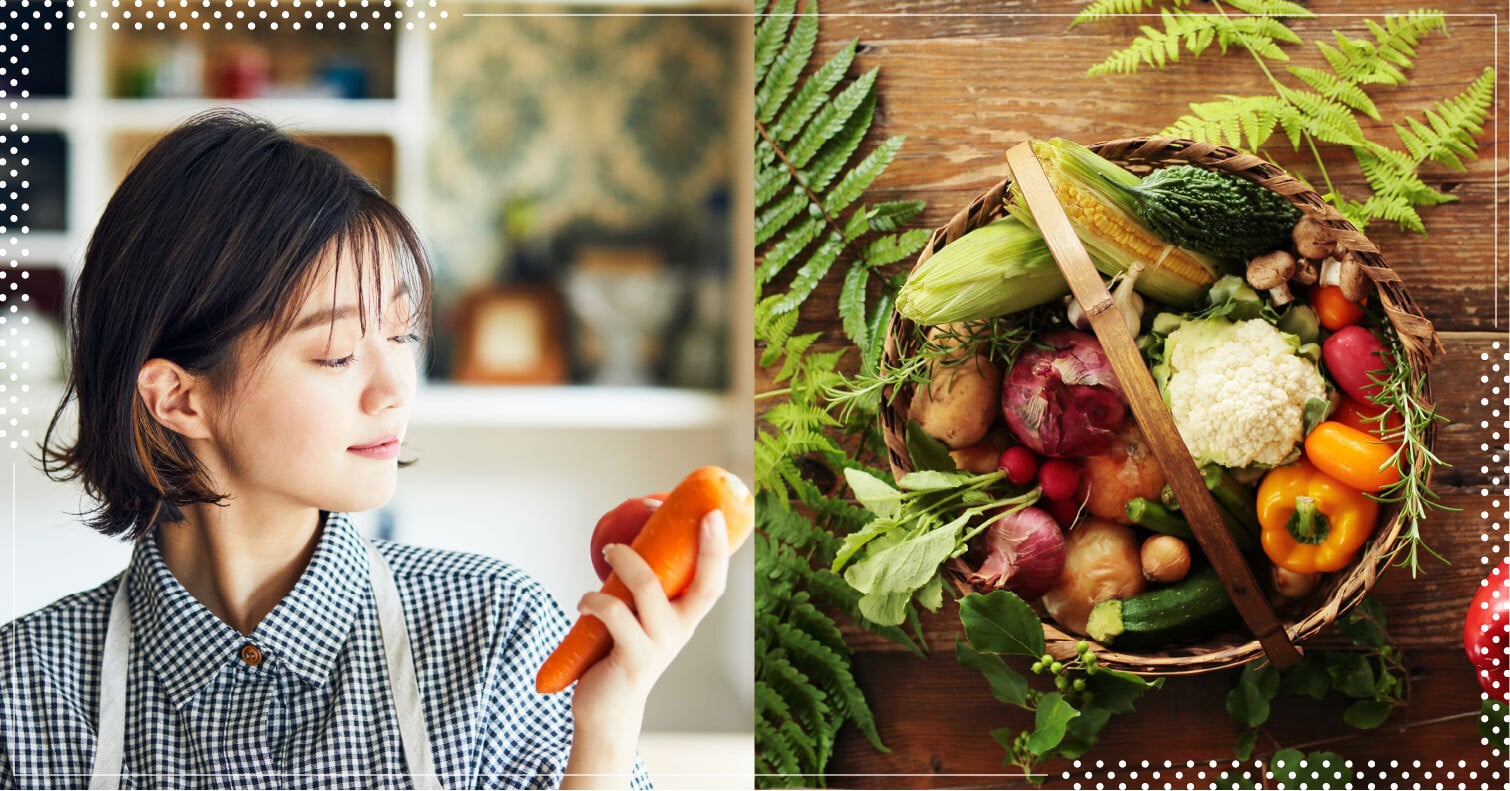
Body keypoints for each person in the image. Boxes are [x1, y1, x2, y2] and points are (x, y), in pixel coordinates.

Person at [0, 109, 731, 789]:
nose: (395, 388)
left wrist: (603, 735)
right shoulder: (24, 694)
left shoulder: (499, 638)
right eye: (337, 352)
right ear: (179, 397)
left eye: (403, 335)